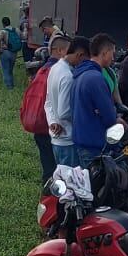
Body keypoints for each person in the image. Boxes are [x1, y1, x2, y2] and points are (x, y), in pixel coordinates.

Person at [69, 36, 118, 168]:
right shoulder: (96, 79)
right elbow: (109, 117)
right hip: (95, 146)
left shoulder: (79, 75)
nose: (113, 58)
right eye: (112, 53)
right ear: (104, 53)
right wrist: (118, 121)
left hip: (81, 142)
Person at [24, 42, 64, 181]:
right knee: (57, 167)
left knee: (47, 163)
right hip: (52, 126)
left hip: (39, 124)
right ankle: (53, 196)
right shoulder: (59, 72)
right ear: (60, 51)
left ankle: (47, 194)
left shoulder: (41, 70)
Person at [45, 38, 79, 166]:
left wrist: (52, 121)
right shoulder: (68, 76)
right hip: (68, 138)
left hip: (56, 137)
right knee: (70, 182)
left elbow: (47, 102)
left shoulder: (54, 69)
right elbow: (64, 112)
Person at [0, 16, 21, 90]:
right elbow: (21, 37)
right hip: (14, 53)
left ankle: (9, 87)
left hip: (5, 52)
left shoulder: (3, 31)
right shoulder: (16, 30)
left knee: (5, 70)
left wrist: (0, 49)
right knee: (10, 70)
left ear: (3, 24)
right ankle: (12, 84)